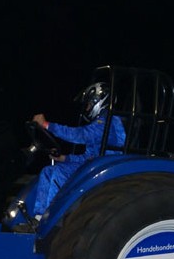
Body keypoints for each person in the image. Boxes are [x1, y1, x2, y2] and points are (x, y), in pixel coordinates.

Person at [30, 81, 126, 218]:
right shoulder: (101, 122)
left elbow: (79, 135)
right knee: (48, 171)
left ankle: (52, 218)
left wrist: (47, 125)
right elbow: (88, 157)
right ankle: (39, 216)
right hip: (95, 165)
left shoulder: (107, 122)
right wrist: (64, 158)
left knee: (59, 173)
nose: (87, 108)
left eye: (89, 104)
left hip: (105, 168)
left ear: (99, 101)